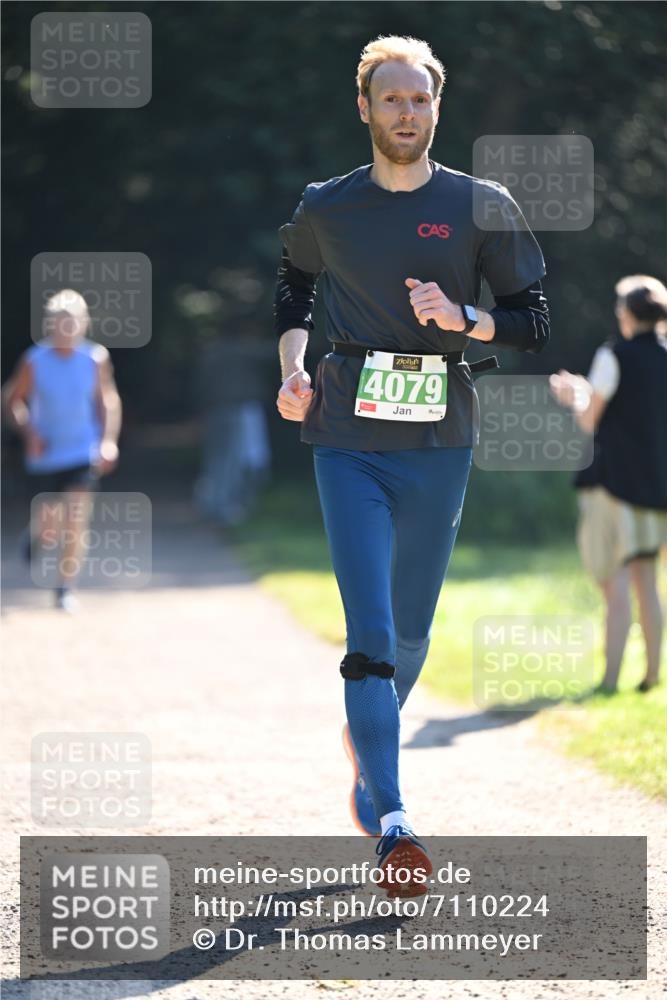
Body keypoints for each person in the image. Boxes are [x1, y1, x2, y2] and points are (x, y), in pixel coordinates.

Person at [274, 35, 549, 896]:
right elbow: (293, 287)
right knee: (368, 640)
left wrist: (462, 316)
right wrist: (290, 370)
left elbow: (530, 319)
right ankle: (393, 823)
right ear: (364, 108)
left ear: (437, 109)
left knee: (410, 633)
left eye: (419, 100)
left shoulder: (481, 204)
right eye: (390, 99)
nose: (406, 113)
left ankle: (369, 755)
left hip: (440, 437)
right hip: (347, 434)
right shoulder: (328, 204)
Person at [550, 275, 667, 694]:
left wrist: (574, 395)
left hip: (611, 485)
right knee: (648, 583)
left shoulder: (612, 353)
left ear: (630, 313)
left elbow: (589, 420)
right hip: (656, 489)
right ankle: (652, 675)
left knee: (615, 585)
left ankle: (610, 680)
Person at [2, 288, 122, 612]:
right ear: (49, 326)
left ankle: (64, 588)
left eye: (72, 324)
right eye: (59, 324)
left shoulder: (95, 358)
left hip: (82, 450)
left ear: (84, 324)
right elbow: (12, 401)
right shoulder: (34, 360)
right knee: (50, 521)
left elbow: (107, 400)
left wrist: (108, 441)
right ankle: (38, 534)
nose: (66, 331)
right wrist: (29, 432)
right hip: (45, 454)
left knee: (76, 518)